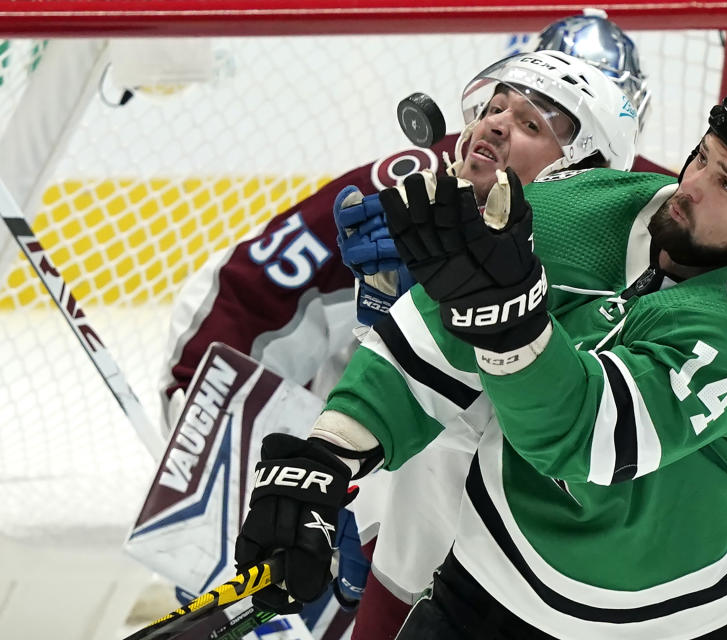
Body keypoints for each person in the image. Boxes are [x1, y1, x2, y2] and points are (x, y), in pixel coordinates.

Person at [234, 78, 727, 639]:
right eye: (702, 156)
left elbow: (588, 440)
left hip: (691, 614)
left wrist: (510, 322)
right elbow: (421, 355)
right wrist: (320, 463)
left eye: (725, 183)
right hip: (500, 575)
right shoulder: (585, 211)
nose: (690, 185)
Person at [157, 12, 651, 639]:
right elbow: (252, 294)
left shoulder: (650, 225)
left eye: (534, 122)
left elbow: (714, 356)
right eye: (498, 106)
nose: (498, 125)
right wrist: (252, 458)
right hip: (393, 484)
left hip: (553, 553)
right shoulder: (409, 188)